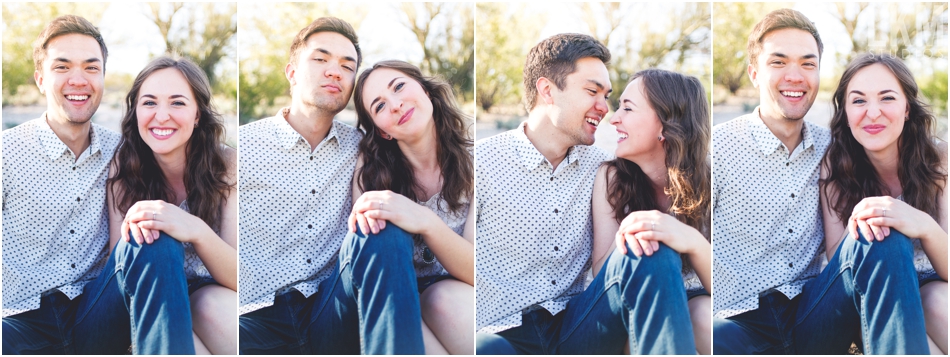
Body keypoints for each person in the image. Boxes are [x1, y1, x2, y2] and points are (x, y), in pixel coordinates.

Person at [712, 9, 930, 354]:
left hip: (813, 313)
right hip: (737, 320)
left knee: (880, 232)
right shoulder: (717, 148)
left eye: (807, 64)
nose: (795, 76)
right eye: (779, 62)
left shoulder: (835, 149)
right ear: (754, 73)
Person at [475, 33, 696, 354]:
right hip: (503, 332)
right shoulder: (481, 163)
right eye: (592, 91)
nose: (604, 108)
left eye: (607, 96)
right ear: (547, 90)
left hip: (580, 326)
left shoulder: (607, 168)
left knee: (650, 248)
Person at [2, 15, 195, 354]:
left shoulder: (126, 151)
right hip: (20, 321)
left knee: (154, 240)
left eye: (91, 68)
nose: (79, 80)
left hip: (97, 314)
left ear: (103, 77)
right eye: (62, 67)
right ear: (40, 80)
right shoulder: (7, 153)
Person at [238, 17, 425, 354]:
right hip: (255, 317)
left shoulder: (367, 149)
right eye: (321, 60)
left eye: (346, 65)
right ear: (292, 72)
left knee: (384, 231)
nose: (335, 71)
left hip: (333, 310)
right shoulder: (242, 148)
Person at [107, 56, 237, 355]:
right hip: (148, 302)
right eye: (149, 103)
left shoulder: (228, 165)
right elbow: (119, 275)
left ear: (197, 115)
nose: (161, 116)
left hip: (211, 296)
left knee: (210, 305)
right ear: (135, 111)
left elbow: (239, 278)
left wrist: (196, 230)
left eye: (177, 103)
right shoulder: (123, 166)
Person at [820, 53, 947, 354]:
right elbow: (839, 261)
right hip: (871, 293)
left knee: (940, 304)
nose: (873, 113)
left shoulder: (940, 159)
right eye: (859, 101)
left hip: (932, 282)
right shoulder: (835, 164)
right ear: (846, 112)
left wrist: (924, 226)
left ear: (907, 108)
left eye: (887, 98)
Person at [350, 60, 474, 355]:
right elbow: (370, 257)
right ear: (383, 132)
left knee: (442, 299)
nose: (395, 105)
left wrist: (426, 222)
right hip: (392, 305)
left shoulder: (476, 163)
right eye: (379, 106)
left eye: (399, 86)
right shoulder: (371, 172)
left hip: (457, 297)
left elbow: (477, 271)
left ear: (426, 92)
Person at [592, 69, 712, 354]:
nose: (614, 117)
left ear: (665, 124)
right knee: (649, 245)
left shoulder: (712, 179)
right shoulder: (612, 179)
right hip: (626, 305)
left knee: (707, 318)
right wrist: (631, 233)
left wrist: (692, 241)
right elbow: (602, 279)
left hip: (695, 298)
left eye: (628, 108)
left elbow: (729, 288)